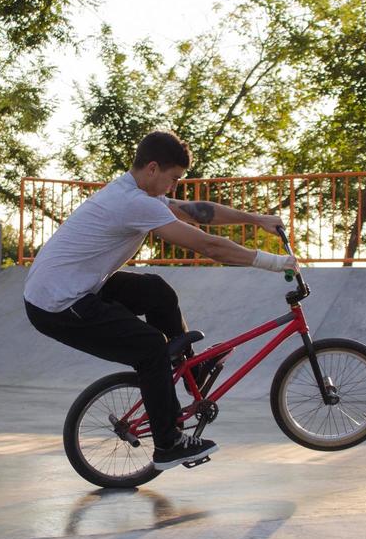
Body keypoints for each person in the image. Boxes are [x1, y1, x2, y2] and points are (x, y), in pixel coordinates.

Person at [23, 130, 296, 470]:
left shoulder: (135, 190)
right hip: (58, 304)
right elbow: (207, 245)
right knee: (150, 348)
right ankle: (168, 444)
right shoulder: (132, 202)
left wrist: (256, 220)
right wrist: (273, 263)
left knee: (155, 290)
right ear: (153, 168)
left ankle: (192, 369)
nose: (174, 188)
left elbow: (197, 211)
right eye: (173, 179)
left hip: (76, 285)